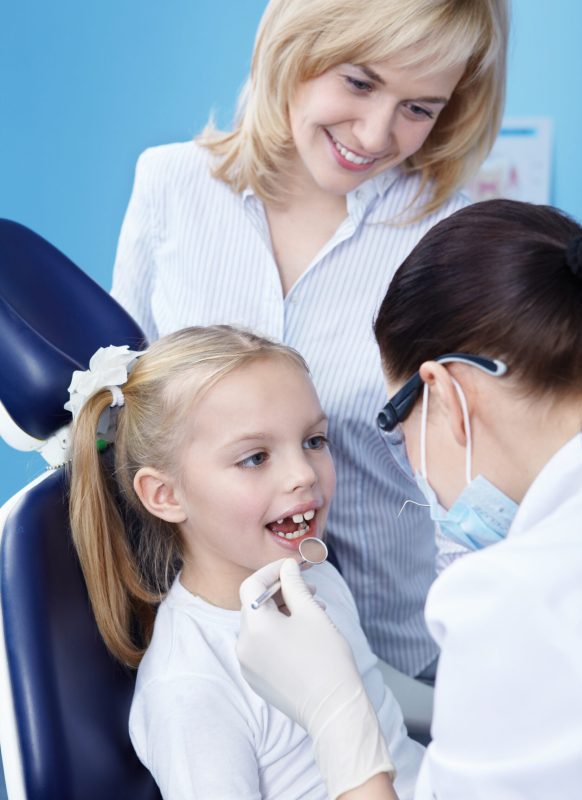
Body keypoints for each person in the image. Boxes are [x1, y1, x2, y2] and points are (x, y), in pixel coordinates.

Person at [110, 0, 509, 679]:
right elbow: (125, 420)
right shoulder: (169, 186)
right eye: (358, 81)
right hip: (207, 647)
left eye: (420, 108)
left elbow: (485, 477)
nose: (377, 132)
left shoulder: (449, 239)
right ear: (294, 47)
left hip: (399, 652)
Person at [236, 200, 582, 798]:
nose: (303, 478)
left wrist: (337, 717)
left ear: (443, 392)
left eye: (393, 422)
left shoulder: (515, 599)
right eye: (254, 457)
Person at [67, 325, 425, 799]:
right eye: (255, 458)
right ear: (166, 495)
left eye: (314, 441)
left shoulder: (313, 574)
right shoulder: (190, 690)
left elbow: (385, 720)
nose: (303, 475)